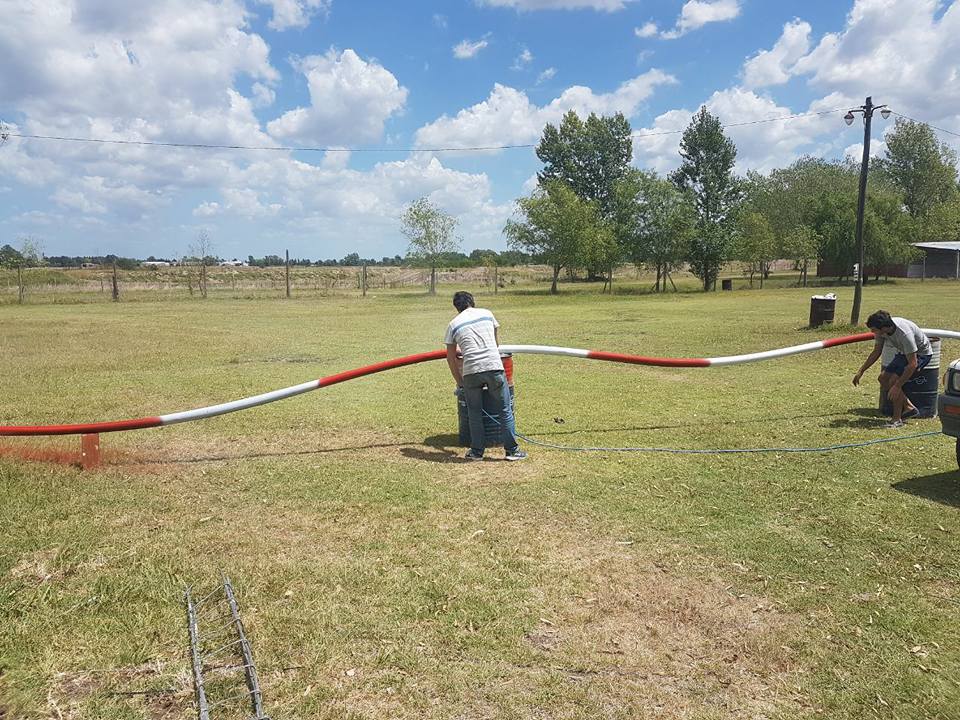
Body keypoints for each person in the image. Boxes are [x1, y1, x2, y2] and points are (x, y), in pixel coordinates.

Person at [444, 291, 527, 461]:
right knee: (505, 410)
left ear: (456, 307)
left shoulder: (453, 324)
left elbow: (451, 358)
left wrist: (460, 382)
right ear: (472, 302)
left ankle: (476, 452)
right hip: (493, 367)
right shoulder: (487, 314)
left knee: (474, 413)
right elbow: (495, 344)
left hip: (471, 371)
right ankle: (512, 451)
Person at [853, 310, 933, 428]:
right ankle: (909, 407)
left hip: (921, 354)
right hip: (904, 352)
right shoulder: (882, 332)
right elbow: (876, 351)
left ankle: (896, 420)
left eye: (874, 329)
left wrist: (897, 386)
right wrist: (861, 370)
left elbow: (912, 364)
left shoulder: (904, 334)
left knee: (893, 381)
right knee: (883, 378)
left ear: (883, 328)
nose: (872, 332)